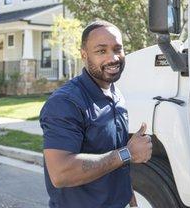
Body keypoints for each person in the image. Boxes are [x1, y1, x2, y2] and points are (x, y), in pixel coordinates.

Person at [39, 20, 153, 208]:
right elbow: (61, 173)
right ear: (84, 55)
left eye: (117, 49)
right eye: (101, 51)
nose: (113, 58)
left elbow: (116, 160)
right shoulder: (66, 103)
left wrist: (129, 197)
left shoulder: (116, 93)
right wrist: (128, 153)